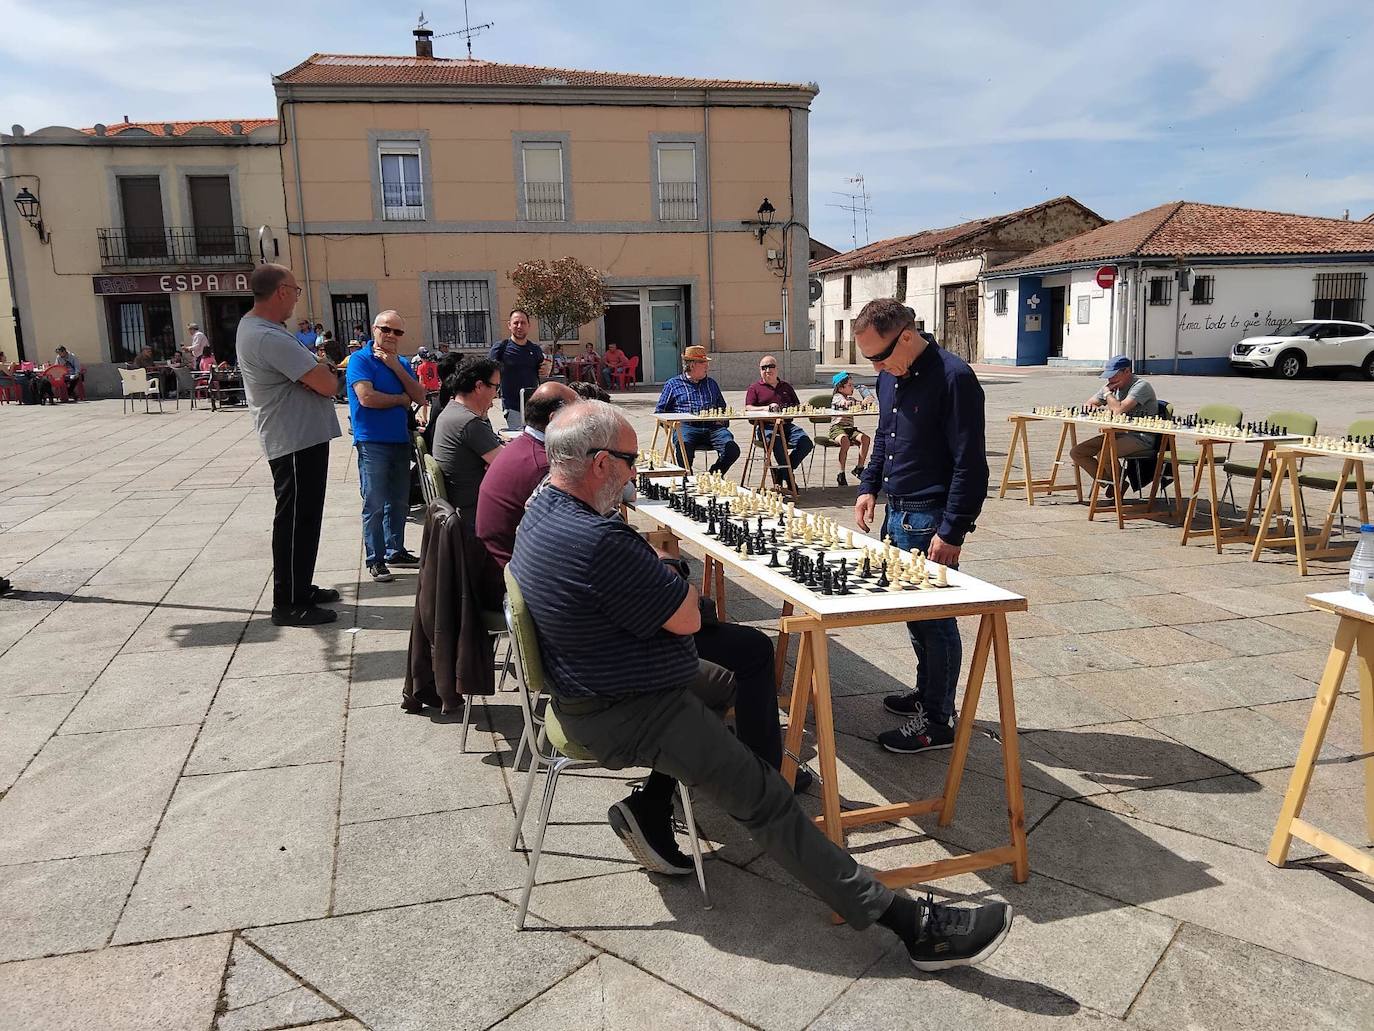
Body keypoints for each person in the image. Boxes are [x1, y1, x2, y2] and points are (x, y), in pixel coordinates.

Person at [508, 400, 1012, 970]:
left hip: (592, 685)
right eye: (629, 461)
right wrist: (664, 575)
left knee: (728, 677)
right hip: (629, 709)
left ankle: (660, 803)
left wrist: (657, 578)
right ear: (599, 464)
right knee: (767, 802)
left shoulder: (540, 512)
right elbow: (689, 619)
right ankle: (913, 928)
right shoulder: (601, 540)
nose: (634, 473)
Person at [852, 299, 989, 755]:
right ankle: (925, 691)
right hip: (898, 512)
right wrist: (868, 486)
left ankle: (939, 719)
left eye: (879, 355)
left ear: (907, 336)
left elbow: (970, 464)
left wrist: (952, 532)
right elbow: (885, 438)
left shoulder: (954, 378)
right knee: (914, 616)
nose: (876, 366)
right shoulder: (891, 377)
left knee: (935, 620)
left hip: (931, 516)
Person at [235, 263, 342, 627]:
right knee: (296, 520)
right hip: (294, 440)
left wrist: (316, 373)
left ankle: (300, 588)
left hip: (300, 436)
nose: (297, 299)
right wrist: (320, 373)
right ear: (281, 291)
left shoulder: (263, 330)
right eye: (295, 292)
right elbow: (328, 383)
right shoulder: (268, 336)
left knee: (306, 518)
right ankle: (288, 602)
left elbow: (318, 376)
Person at [347, 311, 426, 584]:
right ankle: (376, 558)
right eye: (386, 329)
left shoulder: (402, 362)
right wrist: (400, 399)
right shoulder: (360, 359)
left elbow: (419, 396)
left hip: (398, 440)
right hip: (372, 441)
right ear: (374, 329)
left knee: (399, 501)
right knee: (375, 502)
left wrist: (394, 367)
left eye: (397, 332)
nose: (391, 335)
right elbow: (366, 398)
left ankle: (396, 550)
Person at [475, 381, 578, 566]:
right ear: (555, 420)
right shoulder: (545, 466)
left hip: (490, 561)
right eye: (578, 418)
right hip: (510, 573)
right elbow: (568, 535)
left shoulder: (519, 445)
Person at [1069, 356, 1158, 497]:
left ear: (1127, 371)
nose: (1110, 380)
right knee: (1077, 452)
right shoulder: (1111, 387)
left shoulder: (1141, 386)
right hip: (1118, 433)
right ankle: (1115, 482)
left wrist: (1107, 393)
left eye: (1114, 376)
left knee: (1105, 453)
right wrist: (1093, 406)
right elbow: (1089, 403)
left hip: (1141, 437)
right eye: (1108, 377)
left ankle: (1117, 486)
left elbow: (1118, 410)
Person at [432, 356, 504, 524]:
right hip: (474, 512)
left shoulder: (451, 410)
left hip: (458, 505)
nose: (496, 393)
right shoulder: (469, 423)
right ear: (479, 386)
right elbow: (507, 466)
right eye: (496, 387)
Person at [654, 345, 739, 474]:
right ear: (692, 365)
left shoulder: (711, 383)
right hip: (687, 427)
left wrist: (722, 420)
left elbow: (722, 408)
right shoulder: (673, 384)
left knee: (732, 449)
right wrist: (673, 425)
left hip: (712, 428)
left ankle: (713, 475)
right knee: (683, 446)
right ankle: (688, 479)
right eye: (703, 363)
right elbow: (660, 413)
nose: (707, 366)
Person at [744, 355, 813, 489]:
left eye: (770, 366)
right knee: (778, 443)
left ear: (777, 369)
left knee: (806, 443)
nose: (767, 370)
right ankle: (790, 480)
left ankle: (781, 473)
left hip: (787, 425)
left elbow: (796, 405)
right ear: (760, 370)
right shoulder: (754, 388)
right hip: (767, 427)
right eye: (764, 368)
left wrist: (801, 407)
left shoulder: (786, 386)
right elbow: (748, 407)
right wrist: (766, 408)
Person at [488, 309, 545, 432]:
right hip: (512, 406)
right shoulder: (500, 348)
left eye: (523, 323)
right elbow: (488, 372)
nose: (519, 326)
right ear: (509, 325)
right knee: (519, 438)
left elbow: (542, 371)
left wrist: (544, 371)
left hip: (533, 406)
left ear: (529, 326)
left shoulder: (535, 350)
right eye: (516, 323)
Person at [829, 372, 872, 487]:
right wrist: (861, 403)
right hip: (837, 428)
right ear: (841, 387)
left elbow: (859, 404)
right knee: (845, 441)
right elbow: (846, 404)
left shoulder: (851, 398)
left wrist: (867, 401)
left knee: (865, 439)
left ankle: (860, 467)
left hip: (850, 429)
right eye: (850, 385)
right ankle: (841, 473)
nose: (852, 388)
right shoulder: (837, 397)